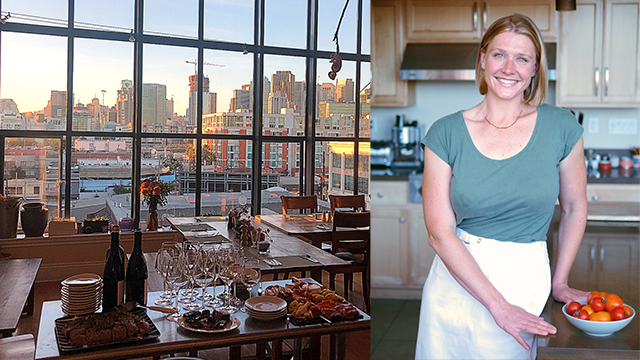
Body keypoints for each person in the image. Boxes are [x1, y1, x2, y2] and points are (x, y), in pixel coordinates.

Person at [415, 14, 589, 360]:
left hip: (523, 280)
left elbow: (574, 207)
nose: (509, 68)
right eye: (499, 55)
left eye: (522, 58)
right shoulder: (444, 132)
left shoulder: (561, 127)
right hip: (455, 281)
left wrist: (560, 281)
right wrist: (497, 306)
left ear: (535, 68)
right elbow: (439, 233)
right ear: (482, 59)